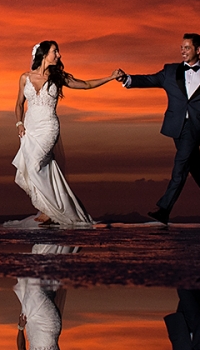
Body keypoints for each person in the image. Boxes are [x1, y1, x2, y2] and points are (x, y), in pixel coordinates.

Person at [119, 33, 200, 225]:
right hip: (175, 126)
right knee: (197, 169)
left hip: (194, 127)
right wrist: (127, 79)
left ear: (198, 50)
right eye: (181, 47)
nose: (182, 51)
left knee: (180, 165)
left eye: (187, 47)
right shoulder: (170, 71)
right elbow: (150, 80)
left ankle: (164, 209)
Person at [11, 41, 122, 227]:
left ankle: (50, 210)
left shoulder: (58, 77)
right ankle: (49, 207)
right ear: (45, 54)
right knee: (33, 167)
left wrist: (110, 78)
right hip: (30, 128)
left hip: (48, 127)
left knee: (36, 165)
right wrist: (19, 123)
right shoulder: (24, 77)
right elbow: (18, 104)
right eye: (55, 51)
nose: (59, 55)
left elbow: (86, 84)